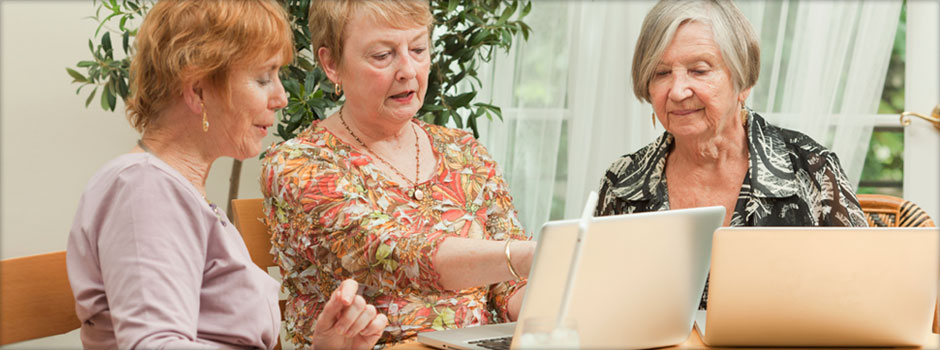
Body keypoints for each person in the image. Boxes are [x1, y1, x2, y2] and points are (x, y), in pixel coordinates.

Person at [66, 1, 385, 348]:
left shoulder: (170, 190)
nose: (280, 97)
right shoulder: (143, 189)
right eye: (263, 78)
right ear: (198, 90)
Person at [261, 0, 536, 347]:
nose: (408, 69)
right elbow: (397, 254)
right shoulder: (298, 165)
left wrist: (555, 301)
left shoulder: (464, 151)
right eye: (382, 56)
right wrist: (525, 255)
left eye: (419, 49)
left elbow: (510, 286)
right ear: (331, 64)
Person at [595, 0, 867, 308]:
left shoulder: (811, 168)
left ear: (743, 82)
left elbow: (863, 292)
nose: (677, 90)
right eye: (661, 73)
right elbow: (600, 302)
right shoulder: (624, 180)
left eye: (699, 70)